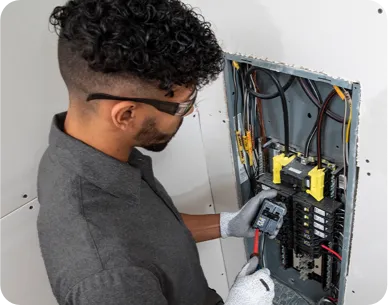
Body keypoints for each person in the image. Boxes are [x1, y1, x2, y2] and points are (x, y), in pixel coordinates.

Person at [37, 1, 278, 305]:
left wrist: (225, 224)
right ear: (125, 115)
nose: (188, 114)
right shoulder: (108, 283)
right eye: (183, 105)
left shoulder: (78, 153)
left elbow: (146, 237)